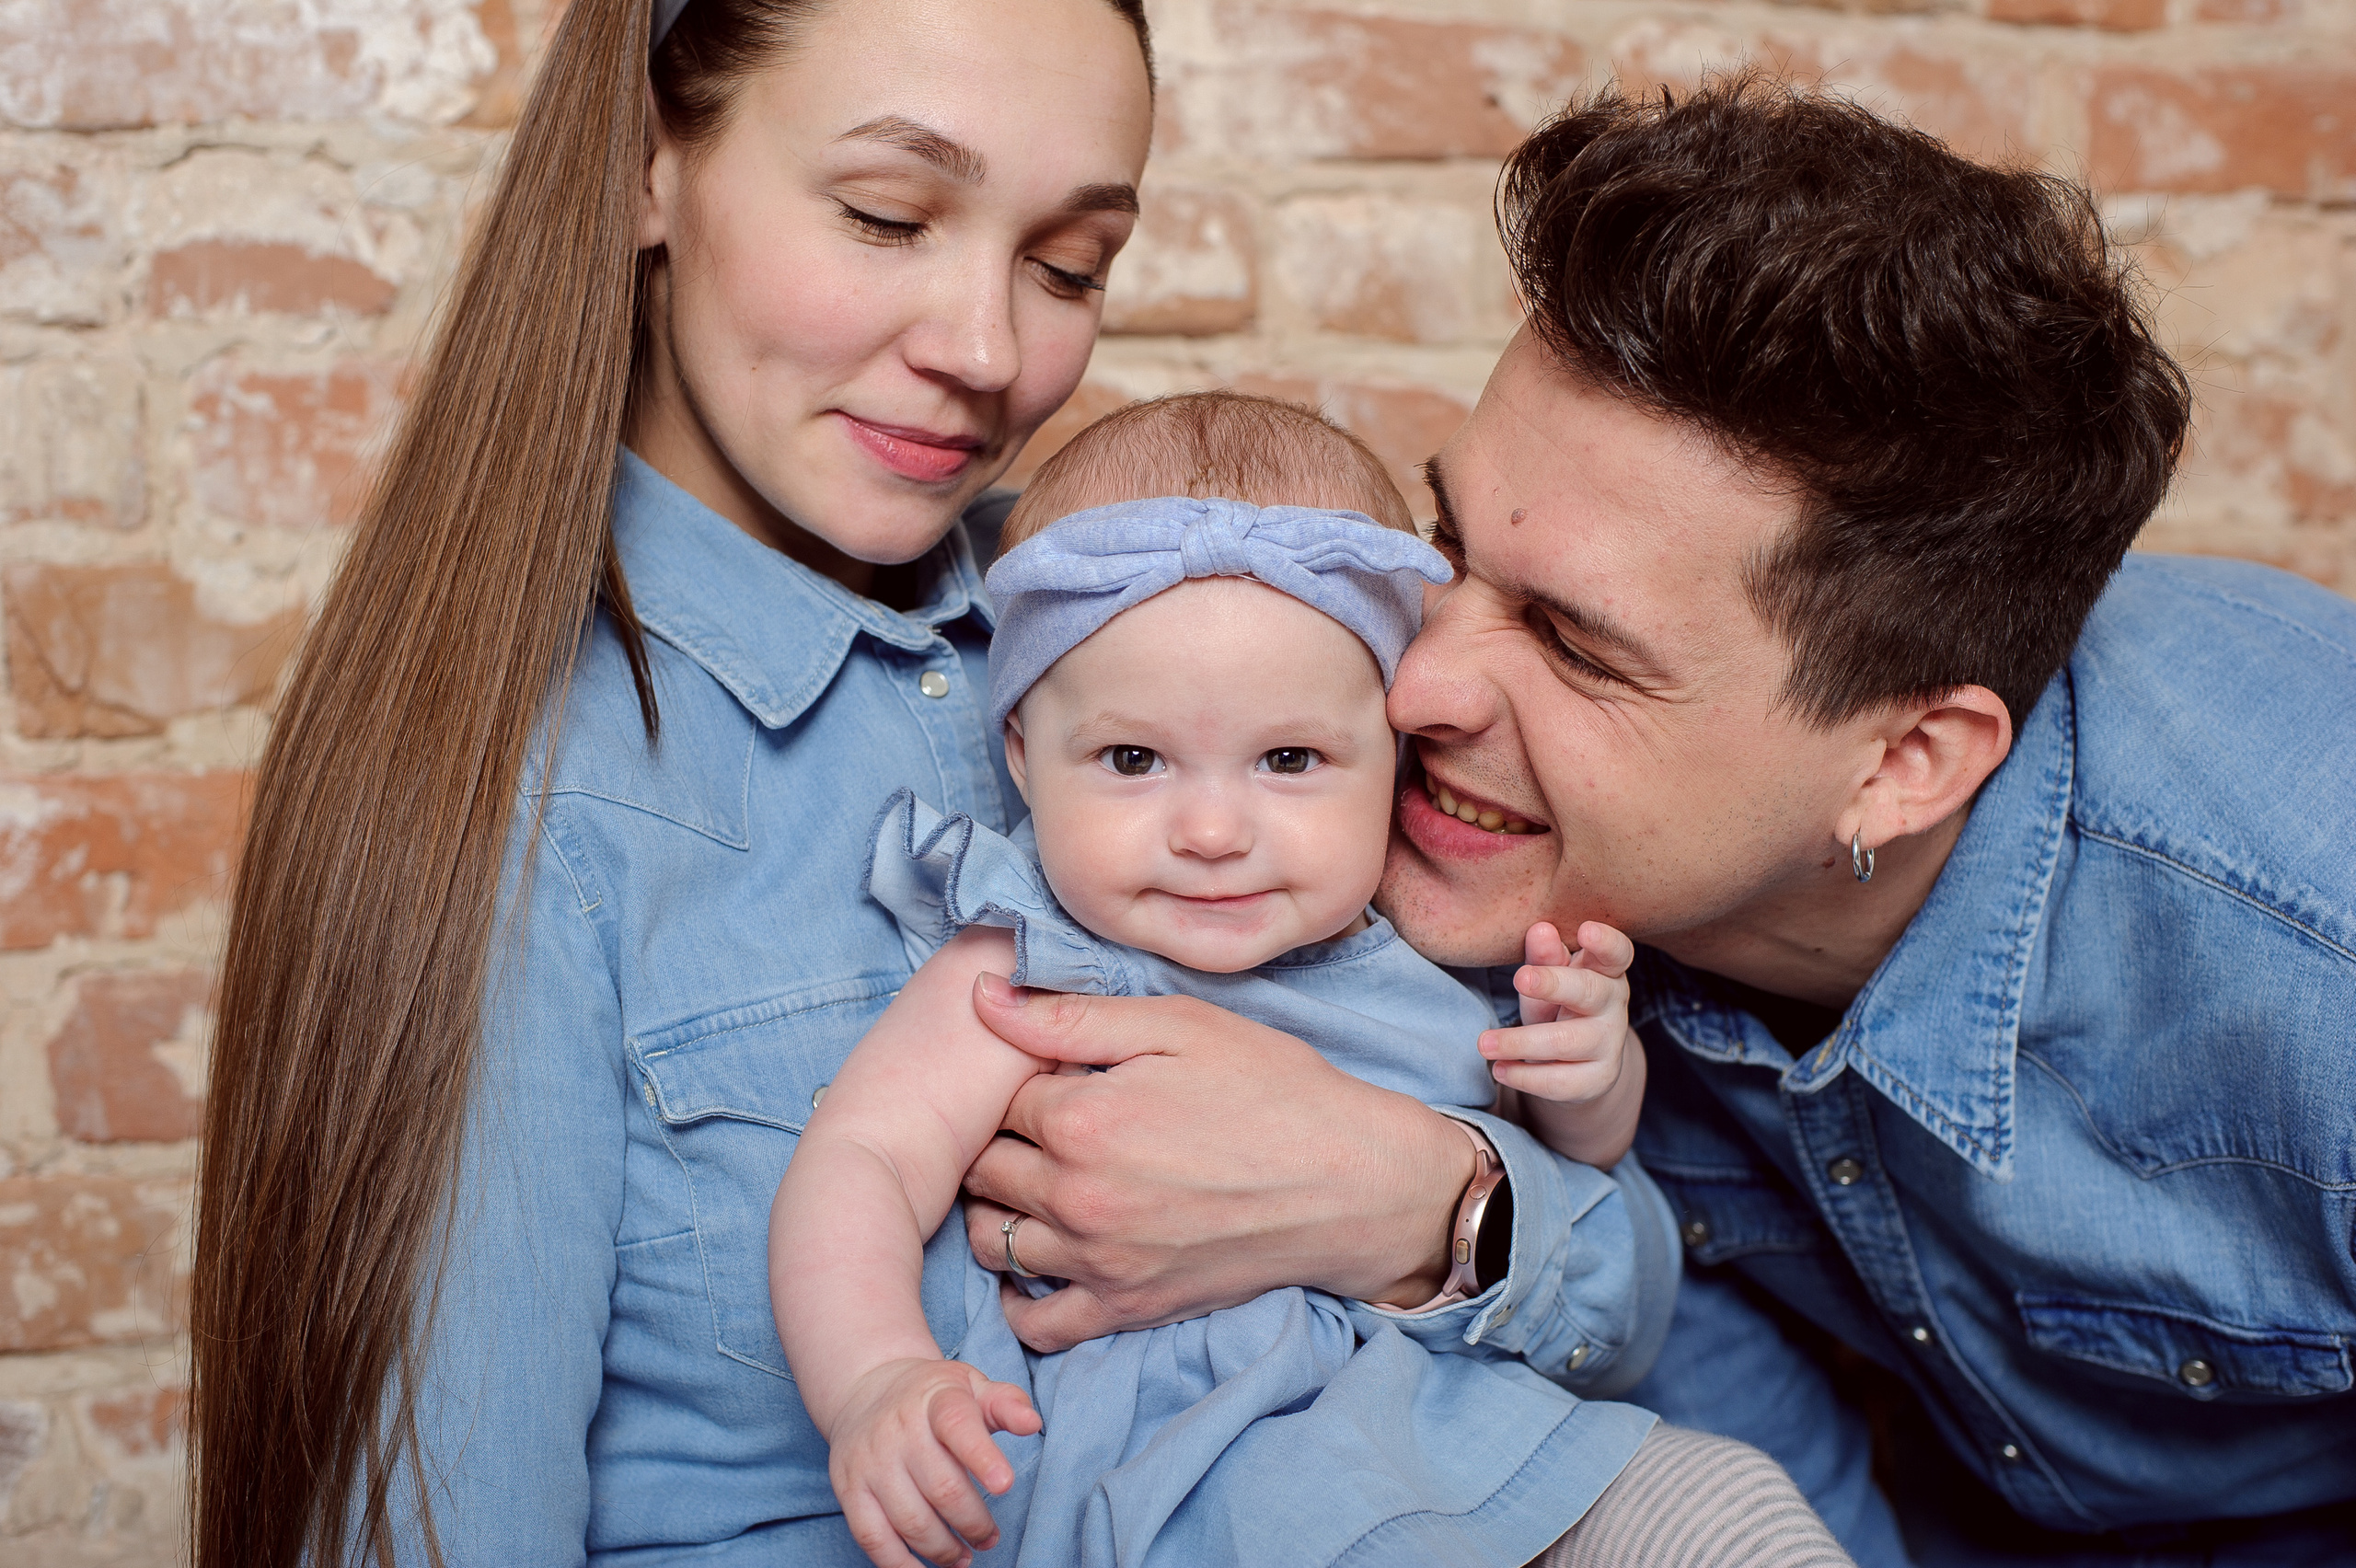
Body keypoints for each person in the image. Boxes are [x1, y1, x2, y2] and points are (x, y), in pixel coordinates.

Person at [190, 3, 1678, 1563]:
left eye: (1069, 266)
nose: (984, 348)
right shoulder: (540, 802)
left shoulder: (1202, 617)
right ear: (647, 160)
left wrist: (1414, 1196)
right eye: (885, 216)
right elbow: (441, 1521)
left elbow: (1643, 1292)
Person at [1367, 76, 2356, 1568]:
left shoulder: (2311, 972)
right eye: (1451, 548)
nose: (1420, 682)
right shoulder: (1475, 856)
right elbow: (1699, 1413)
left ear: (1903, 763)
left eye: (1574, 643)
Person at [772, 392, 1735, 1568]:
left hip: (1442, 1426)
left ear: (1393, 758)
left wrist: (1592, 1069)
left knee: (1714, 1506)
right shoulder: (1026, 962)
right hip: (1187, 1469)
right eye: (1133, 758)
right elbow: (862, 1159)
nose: (1215, 829)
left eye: (1289, 759)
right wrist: (874, 1377)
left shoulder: (1431, 941)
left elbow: (1574, 1162)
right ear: (1022, 755)